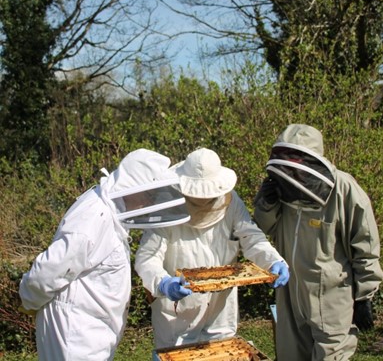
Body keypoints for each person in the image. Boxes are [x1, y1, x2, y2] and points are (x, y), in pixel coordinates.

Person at [19, 149, 190, 361]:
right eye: (149, 195)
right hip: (76, 334)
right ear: (133, 186)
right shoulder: (93, 218)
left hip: (91, 330)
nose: (149, 203)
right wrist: (28, 300)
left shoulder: (111, 210)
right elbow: (47, 272)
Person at [134, 147, 289, 349]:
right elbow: (147, 258)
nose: (203, 204)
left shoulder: (231, 202)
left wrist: (273, 260)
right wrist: (163, 283)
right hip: (177, 314)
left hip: (220, 311)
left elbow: (251, 237)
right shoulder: (166, 207)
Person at [253, 124, 383, 361]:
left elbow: (365, 244)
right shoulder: (281, 186)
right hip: (290, 291)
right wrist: (266, 205)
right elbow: (264, 230)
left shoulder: (344, 189)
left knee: (331, 355)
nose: (292, 174)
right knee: (290, 355)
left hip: (332, 295)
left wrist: (365, 295)